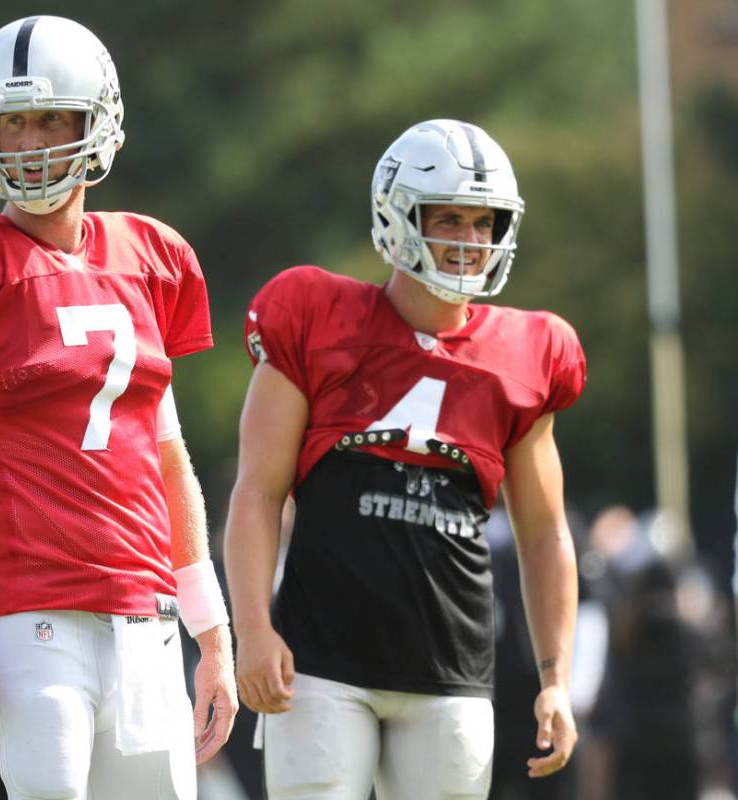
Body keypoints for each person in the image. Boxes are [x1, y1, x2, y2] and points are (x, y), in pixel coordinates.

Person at [0, 15, 237, 800]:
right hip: (24, 629)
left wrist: (213, 634)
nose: (31, 141)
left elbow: (167, 461)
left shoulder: (152, 255)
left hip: (148, 622)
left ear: (97, 122)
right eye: (11, 122)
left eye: (51, 119)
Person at [224, 119, 585, 799]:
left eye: (484, 222)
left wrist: (555, 679)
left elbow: (544, 535)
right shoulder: (314, 314)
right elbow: (256, 493)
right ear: (396, 215)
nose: (467, 240)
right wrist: (253, 628)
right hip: (320, 659)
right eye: (448, 216)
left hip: (449, 664)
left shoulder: (528, 351)